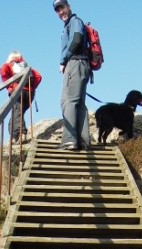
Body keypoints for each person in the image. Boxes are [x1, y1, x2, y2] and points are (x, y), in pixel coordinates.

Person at [53, 0, 91, 151]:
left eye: (62, 7)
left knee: (67, 101)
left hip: (75, 64)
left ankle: (69, 140)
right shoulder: (73, 23)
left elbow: (76, 39)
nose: (61, 11)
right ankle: (83, 141)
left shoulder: (75, 21)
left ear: (68, 6)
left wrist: (63, 60)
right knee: (78, 103)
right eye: (57, 10)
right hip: (82, 65)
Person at [0, 51, 42, 142]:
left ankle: (21, 134)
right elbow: (39, 76)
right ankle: (14, 136)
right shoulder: (26, 67)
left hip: (18, 91)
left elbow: (3, 72)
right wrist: (32, 88)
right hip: (30, 93)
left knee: (17, 111)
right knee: (18, 112)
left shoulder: (9, 65)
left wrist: (10, 87)